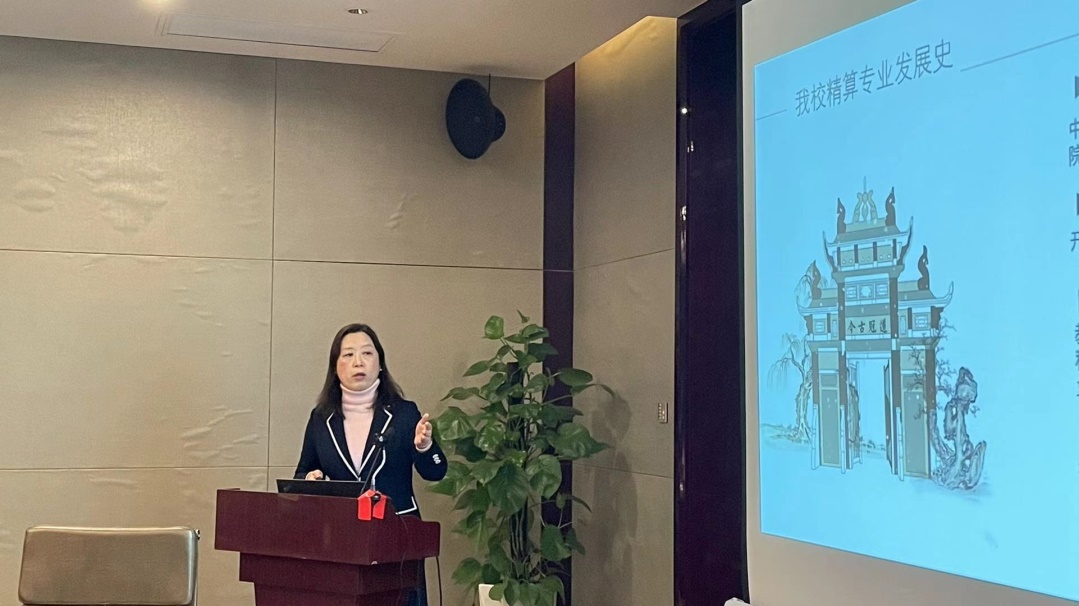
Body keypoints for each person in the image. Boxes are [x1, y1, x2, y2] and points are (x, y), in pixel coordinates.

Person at [294, 323, 447, 606]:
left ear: (380, 363)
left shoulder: (403, 413)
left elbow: (436, 471)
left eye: (367, 353)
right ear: (335, 366)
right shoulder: (321, 418)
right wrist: (311, 479)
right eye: (348, 355)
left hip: (398, 540)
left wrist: (425, 447)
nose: (358, 362)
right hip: (341, 541)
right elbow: (302, 472)